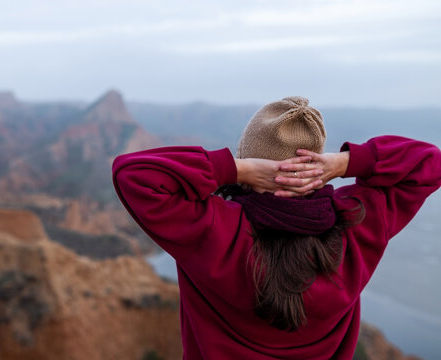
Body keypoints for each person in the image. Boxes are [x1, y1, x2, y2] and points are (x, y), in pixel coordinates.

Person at [112, 96, 441, 359]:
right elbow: (429, 162)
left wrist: (235, 169)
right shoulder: (356, 224)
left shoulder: (214, 229)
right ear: (316, 167)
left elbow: (133, 174)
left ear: (256, 166)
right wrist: (344, 164)